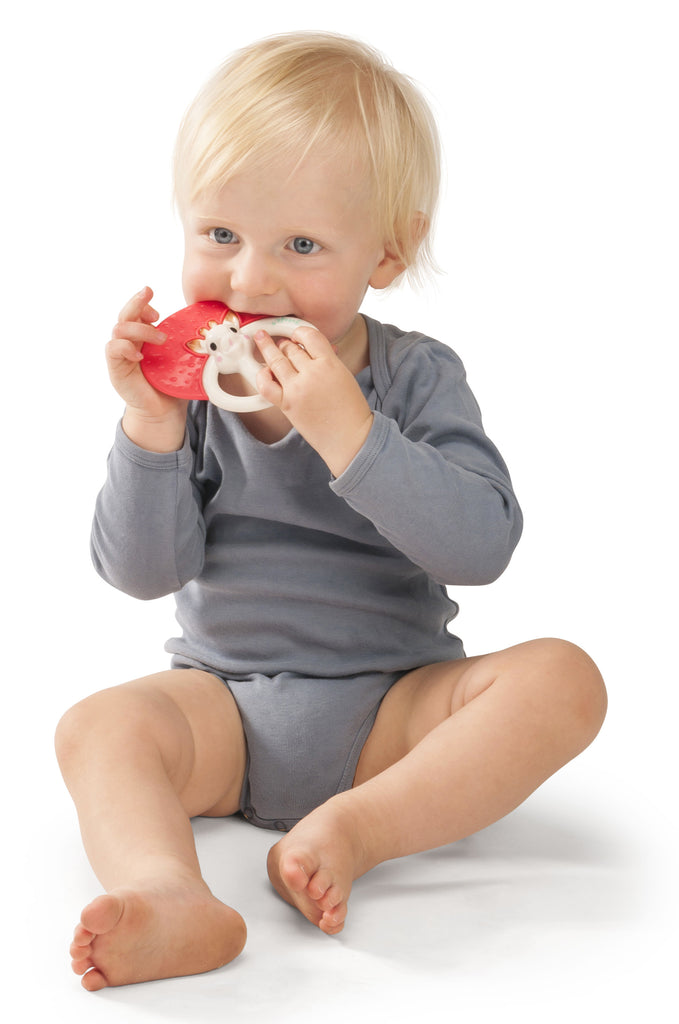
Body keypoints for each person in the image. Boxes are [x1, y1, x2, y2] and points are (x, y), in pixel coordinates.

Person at [55, 31, 607, 992]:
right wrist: (148, 426)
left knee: (564, 679)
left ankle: (359, 828)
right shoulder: (188, 396)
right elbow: (141, 573)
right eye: (220, 236)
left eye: (301, 246)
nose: (250, 281)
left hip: (395, 712)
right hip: (222, 707)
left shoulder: (413, 374)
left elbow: (482, 547)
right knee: (97, 726)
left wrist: (351, 432)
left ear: (385, 254)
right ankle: (171, 895)